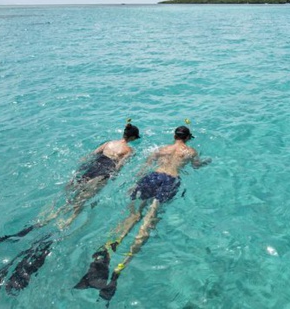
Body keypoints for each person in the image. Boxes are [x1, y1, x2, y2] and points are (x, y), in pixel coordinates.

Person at [0, 119, 140, 295]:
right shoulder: (129, 150)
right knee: (80, 203)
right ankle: (64, 225)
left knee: (67, 197)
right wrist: (112, 178)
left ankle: (47, 218)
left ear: (123, 134)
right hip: (103, 172)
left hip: (91, 166)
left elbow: (89, 156)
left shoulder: (109, 143)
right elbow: (118, 168)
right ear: (133, 138)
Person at [75, 125, 211, 301]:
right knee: (149, 220)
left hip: (152, 177)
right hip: (170, 180)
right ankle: (120, 268)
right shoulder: (190, 151)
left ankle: (107, 251)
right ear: (187, 138)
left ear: (174, 135)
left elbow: (145, 166)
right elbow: (197, 165)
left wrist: (135, 183)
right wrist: (206, 161)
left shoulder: (162, 149)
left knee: (133, 216)